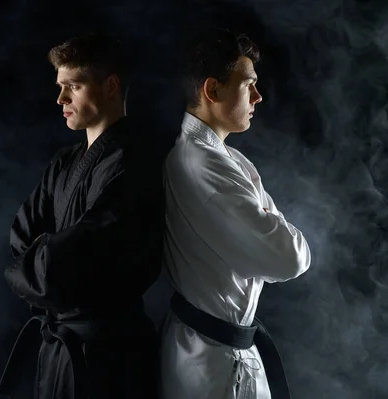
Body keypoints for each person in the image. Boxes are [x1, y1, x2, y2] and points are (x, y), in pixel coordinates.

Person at [0, 32, 164, 399]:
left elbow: (79, 257)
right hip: (60, 349)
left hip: (113, 358)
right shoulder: (63, 163)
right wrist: (47, 257)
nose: (60, 98)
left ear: (110, 85)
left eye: (72, 85)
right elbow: (20, 240)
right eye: (60, 86)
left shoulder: (137, 161)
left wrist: (47, 256)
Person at [159, 28, 312, 399]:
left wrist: (263, 212)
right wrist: (268, 213)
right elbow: (290, 257)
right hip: (212, 363)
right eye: (248, 85)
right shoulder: (202, 165)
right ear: (212, 90)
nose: (258, 97)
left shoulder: (222, 159)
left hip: (216, 350)